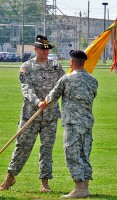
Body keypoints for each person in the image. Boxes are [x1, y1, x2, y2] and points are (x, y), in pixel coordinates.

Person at [0, 35, 65, 192]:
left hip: (50, 116)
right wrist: (37, 102)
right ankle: (10, 178)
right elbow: (26, 88)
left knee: (46, 149)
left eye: (47, 49)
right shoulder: (26, 67)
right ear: (35, 49)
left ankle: (45, 183)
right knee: (22, 147)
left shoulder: (56, 66)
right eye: (42, 49)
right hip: (30, 115)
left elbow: (64, 85)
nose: (45, 52)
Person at [41, 50, 98, 198]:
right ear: (83, 62)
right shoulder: (93, 80)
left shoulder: (66, 79)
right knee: (84, 154)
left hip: (73, 123)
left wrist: (43, 103)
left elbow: (53, 96)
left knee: (72, 154)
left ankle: (79, 188)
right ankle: (85, 187)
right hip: (87, 122)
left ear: (72, 62)